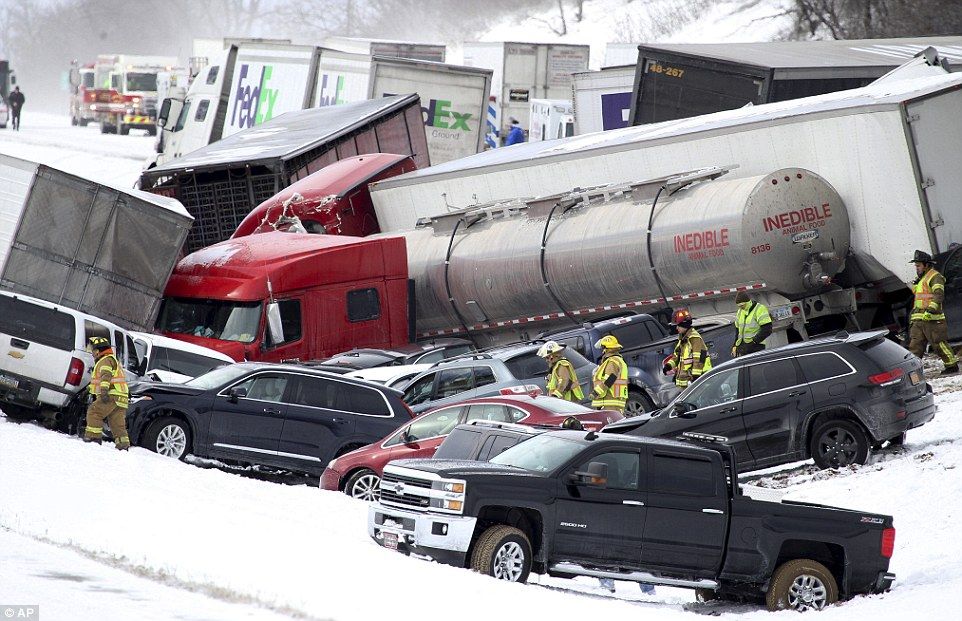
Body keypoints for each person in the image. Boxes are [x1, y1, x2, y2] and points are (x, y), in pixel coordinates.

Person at [907, 249, 959, 375]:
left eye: (918, 266)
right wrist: (913, 286)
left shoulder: (935, 277)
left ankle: (952, 366)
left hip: (932, 319)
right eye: (916, 266)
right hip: (919, 319)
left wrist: (931, 310)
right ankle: (913, 372)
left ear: (926, 265)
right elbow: (921, 296)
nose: (916, 268)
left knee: (939, 344)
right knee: (915, 346)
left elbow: (938, 295)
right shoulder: (922, 279)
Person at [84, 336, 131, 449]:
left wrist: (104, 392)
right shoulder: (111, 359)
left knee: (94, 412)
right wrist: (88, 390)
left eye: (93, 350)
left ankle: (93, 438)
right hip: (121, 397)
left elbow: (105, 377)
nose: (92, 353)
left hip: (111, 395)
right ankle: (123, 445)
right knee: (117, 423)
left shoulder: (105, 360)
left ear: (98, 351)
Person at [663, 309, 712, 388]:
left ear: (684, 325)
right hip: (686, 383)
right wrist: (668, 366)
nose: (676, 328)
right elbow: (677, 356)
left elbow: (699, 358)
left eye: (678, 325)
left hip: (697, 381)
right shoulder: (683, 339)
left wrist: (696, 377)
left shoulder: (694, 338)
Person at [590, 335, 628, 414]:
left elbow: (610, 379)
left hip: (610, 400)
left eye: (602, 348)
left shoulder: (612, 362)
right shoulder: (616, 360)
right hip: (614, 400)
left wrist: (596, 392)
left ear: (606, 349)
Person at [732, 291, 773, 357]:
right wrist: (735, 345)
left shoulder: (759, 309)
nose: (741, 308)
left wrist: (753, 342)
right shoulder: (740, 312)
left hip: (756, 347)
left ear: (748, 302)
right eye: (739, 306)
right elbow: (738, 330)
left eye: (742, 305)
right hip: (743, 348)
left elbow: (767, 329)